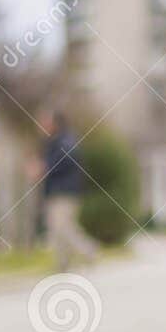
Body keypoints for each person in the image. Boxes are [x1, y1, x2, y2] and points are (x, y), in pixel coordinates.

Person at [37, 111, 97, 271]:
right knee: (59, 229)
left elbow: (66, 161)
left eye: (46, 122)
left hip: (64, 193)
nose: (42, 126)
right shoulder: (53, 142)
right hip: (57, 192)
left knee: (63, 227)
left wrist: (44, 168)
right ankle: (63, 264)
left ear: (55, 123)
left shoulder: (65, 141)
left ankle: (89, 250)